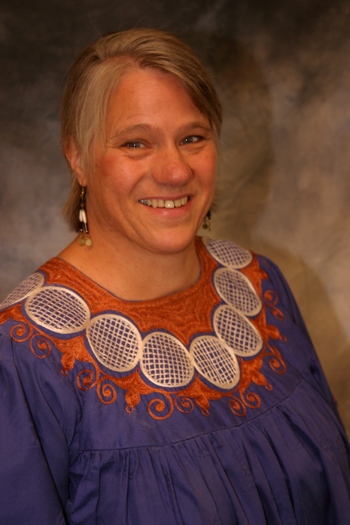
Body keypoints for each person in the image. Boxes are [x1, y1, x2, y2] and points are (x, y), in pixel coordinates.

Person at [0, 27, 349, 525]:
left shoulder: (259, 285)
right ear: (77, 157)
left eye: (192, 137)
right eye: (136, 143)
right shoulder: (23, 354)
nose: (175, 171)